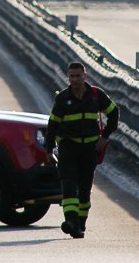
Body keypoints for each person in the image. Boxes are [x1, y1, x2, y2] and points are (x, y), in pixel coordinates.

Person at [45, 60, 120, 239]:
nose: (75, 80)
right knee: (69, 184)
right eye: (71, 76)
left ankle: (80, 224)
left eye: (78, 76)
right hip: (68, 148)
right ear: (68, 77)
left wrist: (105, 137)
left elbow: (114, 113)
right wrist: (49, 149)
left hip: (89, 149)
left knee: (84, 188)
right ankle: (70, 221)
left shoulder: (96, 95)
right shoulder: (62, 98)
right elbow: (52, 125)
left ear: (85, 76)